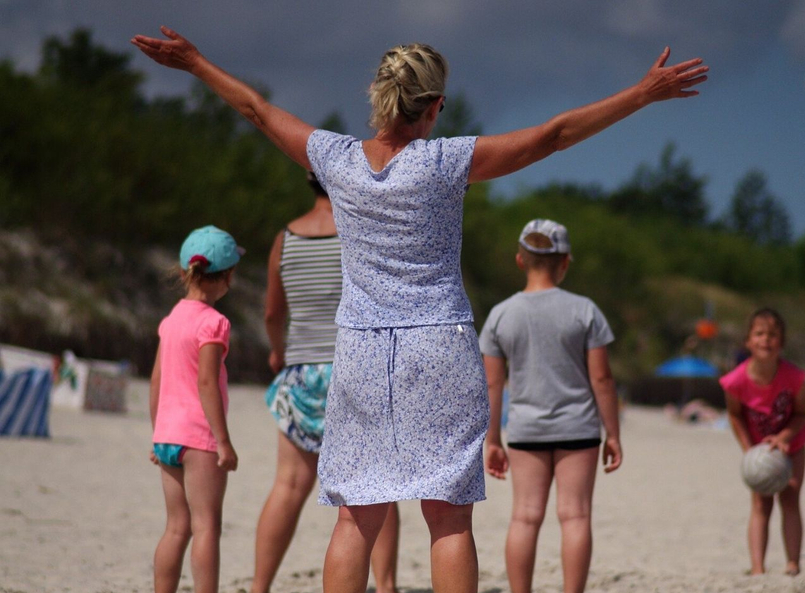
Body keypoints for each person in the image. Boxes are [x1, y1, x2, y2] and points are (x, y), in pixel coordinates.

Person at [131, 27, 708, 593]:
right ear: (433, 106)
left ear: (379, 98)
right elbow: (552, 135)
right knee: (449, 515)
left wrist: (196, 63)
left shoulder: (336, 159)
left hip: (360, 347)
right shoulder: (444, 162)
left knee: (357, 514)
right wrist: (640, 94)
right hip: (437, 345)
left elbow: (257, 110)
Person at [252, 173, 400, 593]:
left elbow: (272, 312)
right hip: (354, 368)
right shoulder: (358, 231)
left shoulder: (285, 238)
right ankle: (386, 586)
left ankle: (259, 586)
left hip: (301, 373)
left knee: (288, 486)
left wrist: (279, 352)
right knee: (376, 486)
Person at [479, 219, 623, 593]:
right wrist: (614, 433)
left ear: (520, 260)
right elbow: (602, 380)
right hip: (579, 427)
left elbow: (493, 383)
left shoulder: (501, 315)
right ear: (564, 263)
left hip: (526, 428)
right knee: (575, 516)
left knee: (524, 518)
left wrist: (492, 438)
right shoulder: (585, 310)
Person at [149, 225, 242, 593]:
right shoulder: (214, 323)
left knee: (175, 527)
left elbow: (156, 382)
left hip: (168, 435)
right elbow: (207, 384)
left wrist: (158, 433)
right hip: (198, 438)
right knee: (206, 527)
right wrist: (223, 441)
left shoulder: (171, 319)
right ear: (226, 277)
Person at [719, 307, 805, 576]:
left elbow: (801, 414)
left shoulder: (795, 378)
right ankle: (757, 567)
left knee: (790, 497)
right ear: (748, 341)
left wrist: (783, 438)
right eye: (759, 334)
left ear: (781, 342)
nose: (765, 340)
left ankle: (792, 563)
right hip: (758, 449)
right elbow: (735, 416)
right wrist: (750, 452)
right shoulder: (735, 381)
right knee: (761, 503)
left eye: (772, 335)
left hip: (792, 444)